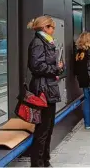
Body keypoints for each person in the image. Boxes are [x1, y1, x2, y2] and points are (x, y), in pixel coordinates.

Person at [26, 15, 64, 167]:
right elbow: (36, 66)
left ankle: (45, 161)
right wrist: (56, 68)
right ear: (45, 28)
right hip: (43, 89)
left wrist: (58, 68)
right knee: (43, 129)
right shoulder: (38, 43)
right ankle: (38, 163)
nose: (54, 30)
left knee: (48, 128)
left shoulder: (46, 42)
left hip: (48, 87)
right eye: (52, 27)